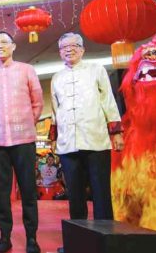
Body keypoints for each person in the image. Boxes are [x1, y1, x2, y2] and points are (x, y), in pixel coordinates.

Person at [49, 33, 123, 253]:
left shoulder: (96, 70)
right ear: (60, 52)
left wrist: (116, 132)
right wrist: (54, 139)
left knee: (101, 192)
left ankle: (106, 241)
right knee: (75, 194)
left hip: (96, 140)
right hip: (67, 143)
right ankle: (78, 242)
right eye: (63, 47)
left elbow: (108, 101)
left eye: (73, 46)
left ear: (82, 49)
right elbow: (55, 111)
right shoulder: (56, 77)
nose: (68, 50)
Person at [0, 31, 43, 253]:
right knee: (1, 192)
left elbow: (37, 102)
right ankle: (4, 237)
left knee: (28, 190)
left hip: (23, 138)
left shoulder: (27, 70)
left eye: (4, 42)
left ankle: (32, 238)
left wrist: (25, 123)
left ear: (13, 46)